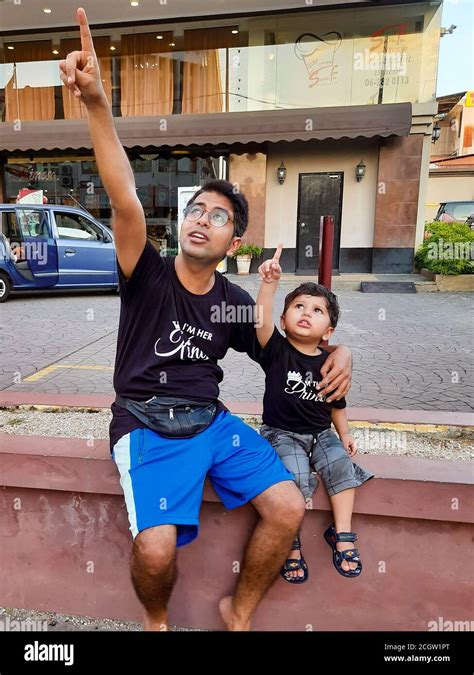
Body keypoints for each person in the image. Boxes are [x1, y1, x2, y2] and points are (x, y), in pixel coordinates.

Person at [60, 8, 353, 631]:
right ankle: (158, 621)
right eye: (197, 208)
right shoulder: (147, 270)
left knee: (286, 505)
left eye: (219, 216)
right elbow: (123, 195)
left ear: (233, 241)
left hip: (212, 423)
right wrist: (97, 108)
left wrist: (337, 350)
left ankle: (238, 611)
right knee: (156, 547)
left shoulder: (232, 303)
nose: (202, 218)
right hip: (145, 423)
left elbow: (288, 348)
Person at [256, 246, 374, 583]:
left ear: (329, 331)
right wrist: (269, 285)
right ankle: (289, 540)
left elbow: (337, 403)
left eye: (318, 310)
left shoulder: (331, 362)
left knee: (340, 466)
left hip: (321, 434)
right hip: (282, 433)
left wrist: (346, 434)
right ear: (284, 320)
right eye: (298, 307)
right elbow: (261, 320)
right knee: (292, 475)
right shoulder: (276, 351)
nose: (306, 312)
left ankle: (343, 533)